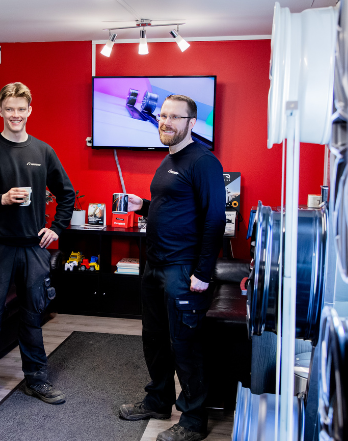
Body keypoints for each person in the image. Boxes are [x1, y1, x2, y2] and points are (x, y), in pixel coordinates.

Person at [0, 82, 76, 421]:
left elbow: (67, 193)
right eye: (9, 108)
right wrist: (1, 198)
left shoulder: (43, 151)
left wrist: (56, 228)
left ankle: (36, 380)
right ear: (1, 110)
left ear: (29, 111)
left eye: (21, 109)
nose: (15, 114)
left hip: (33, 248)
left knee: (32, 317)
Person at [118, 95, 226, 441]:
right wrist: (144, 206)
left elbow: (214, 220)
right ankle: (158, 401)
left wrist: (202, 274)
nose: (165, 122)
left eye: (174, 117)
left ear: (191, 123)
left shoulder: (204, 162)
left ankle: (193, 421)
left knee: (185, 345)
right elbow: (177, 209)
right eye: (162, 115)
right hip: (155, 266)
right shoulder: (168, 159)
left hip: (182, 270)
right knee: (154, 339)